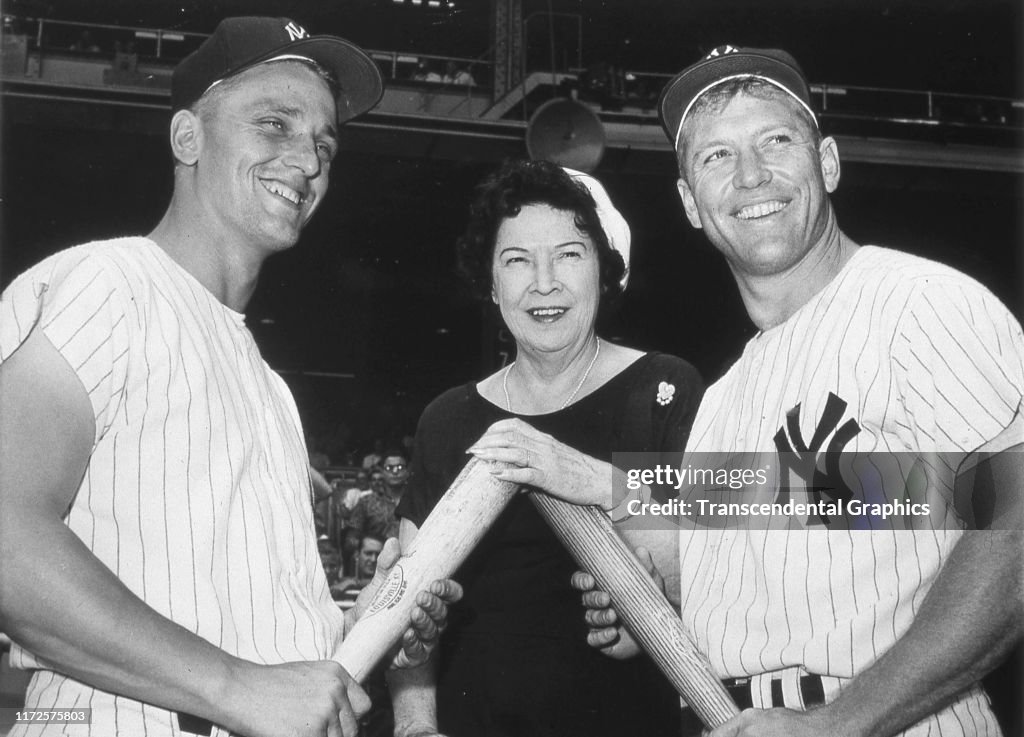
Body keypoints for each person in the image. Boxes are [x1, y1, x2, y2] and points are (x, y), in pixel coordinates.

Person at [0, 17, 462, 737]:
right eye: (275, 124)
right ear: (188, 137)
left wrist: (365, 625)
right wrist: (236, 686)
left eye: (324, 143)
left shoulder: (270, 386)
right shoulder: (111, 284)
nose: (308, 161)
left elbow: (260, 649)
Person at [576, 46, 1023, 736]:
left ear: (829, 163)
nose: (751, 176)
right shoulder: (721, 399)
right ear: (692, 203)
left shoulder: (918, 303)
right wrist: (650, 605)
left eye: (776, 141)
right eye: (717, 156)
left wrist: (839, 722)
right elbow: (766, 591)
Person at [388, 159, 704, 737]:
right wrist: (414, 725)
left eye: (568, 254)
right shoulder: (449, 418)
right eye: (516, 261)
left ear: (604, 273)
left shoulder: (662, 389)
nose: (543, 283)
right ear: (490, 282)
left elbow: (710, 569)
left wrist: (592, 479)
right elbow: (413, 624)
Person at [345, 449, 408, 558]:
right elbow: (352, 537)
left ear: (407, 471)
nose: (395, 472)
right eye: (389, 468)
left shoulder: (417, 501)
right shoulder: (367, 502)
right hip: (376, 560)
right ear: (382, 472)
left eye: (400, 467)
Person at [333, 533, 385, 609]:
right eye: (368, 553)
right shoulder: (343, 583)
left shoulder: (390, 582)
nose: (373, 559)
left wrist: (354, 583)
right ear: (357, 554)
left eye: (378, 554)